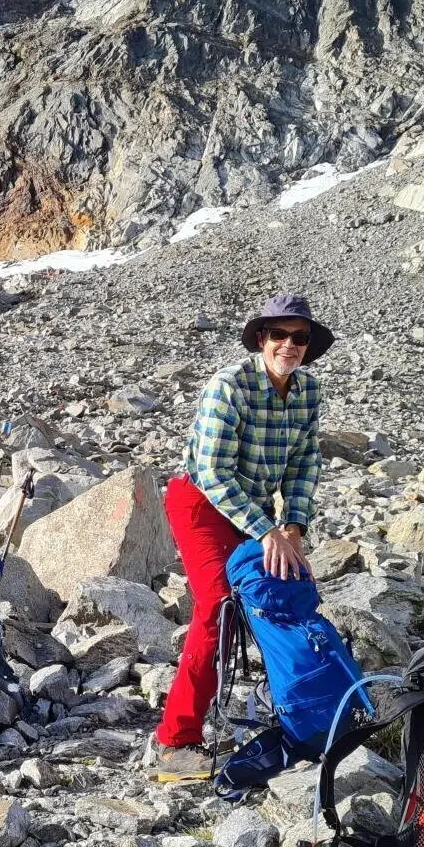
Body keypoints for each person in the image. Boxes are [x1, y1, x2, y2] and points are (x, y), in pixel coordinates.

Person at [151, 294, 334, 783]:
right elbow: (211, 471)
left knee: (279, 592)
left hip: (253, 512)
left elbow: (303, 464)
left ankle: (298, 713)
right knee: (218, 606)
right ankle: (176, 740)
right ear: (261, 339)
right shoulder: (229, 385)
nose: (289, 345)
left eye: (299, 337)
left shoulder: (308, 393)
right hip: (200, 504)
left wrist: (293, 527)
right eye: (279, 335)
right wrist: (268, 530)